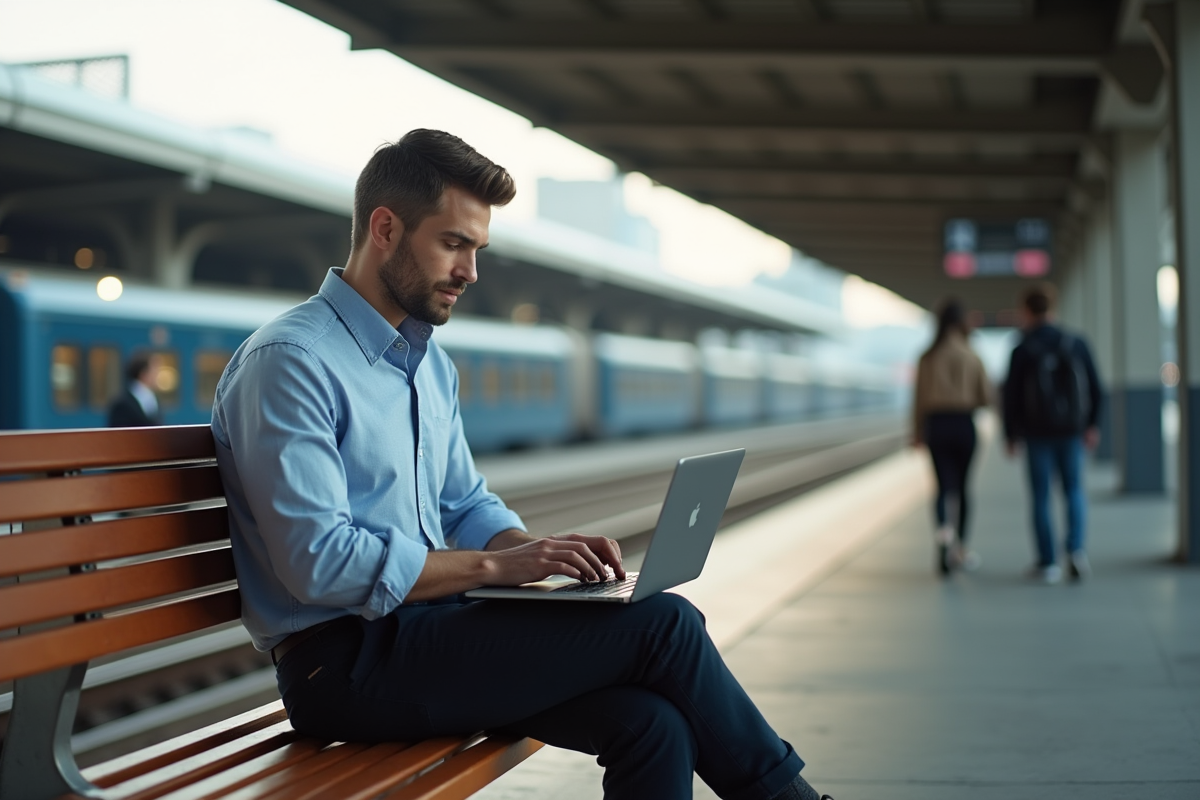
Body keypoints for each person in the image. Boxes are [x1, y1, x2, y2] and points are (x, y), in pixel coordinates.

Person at [211, 130, 832, 800]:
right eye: (454, 243)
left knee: (653, 724)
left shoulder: (426, 364)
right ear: (385, 228)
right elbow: (318, 563)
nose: (470, 271)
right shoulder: (291, 362)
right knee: (666, 624)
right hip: (341, 669)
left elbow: (464, 503)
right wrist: (497, 568)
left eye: (477, 249)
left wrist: (536, 549)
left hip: (427, 636)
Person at [1002, 283, 1103, 584]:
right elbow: (1095, 387)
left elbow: (1011, 397)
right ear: (1053, 308)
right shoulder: (1076, 342)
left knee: (1041, 495)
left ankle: (1048, 563)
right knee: (1073, 489)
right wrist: (1092, 424)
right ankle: (1075, 551)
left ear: (1026, 311)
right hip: (1071, 430)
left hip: (1036, 433)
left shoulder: (1022, 349)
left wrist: (1010, 435)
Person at [911, 299, 992, 576]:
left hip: (936, 424)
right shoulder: (972, 354)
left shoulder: (927, 356)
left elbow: (918, 399)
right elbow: (986, 397)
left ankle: (943, 535)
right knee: (964, 488)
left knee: (942, 487)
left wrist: (916, 432)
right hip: (963, 423)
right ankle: (961, 549)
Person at [107, 351, 163, 427]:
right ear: (143, 373)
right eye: (154, 370)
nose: (157, 374)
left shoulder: (154, 399)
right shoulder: (121, 403)